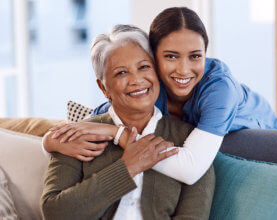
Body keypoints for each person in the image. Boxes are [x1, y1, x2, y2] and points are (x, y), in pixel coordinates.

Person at [46, 7, 277, 178]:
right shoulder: (148, 86)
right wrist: (49, 142)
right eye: (170, 56)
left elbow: (190, 169)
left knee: (215, 157)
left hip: (251, 135)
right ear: (153, 58)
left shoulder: (219, 88)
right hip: (198, 140)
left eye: (195, 56)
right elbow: (92, 121)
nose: (183, 69)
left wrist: (117, 134)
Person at [41, 24, 215, 220]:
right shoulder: (78, 135)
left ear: (157, 72)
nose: (137, 80)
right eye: (121, 73)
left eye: (144, 67)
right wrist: (127, 168)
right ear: (103, 87)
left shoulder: (190, 142)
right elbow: (54, 213)